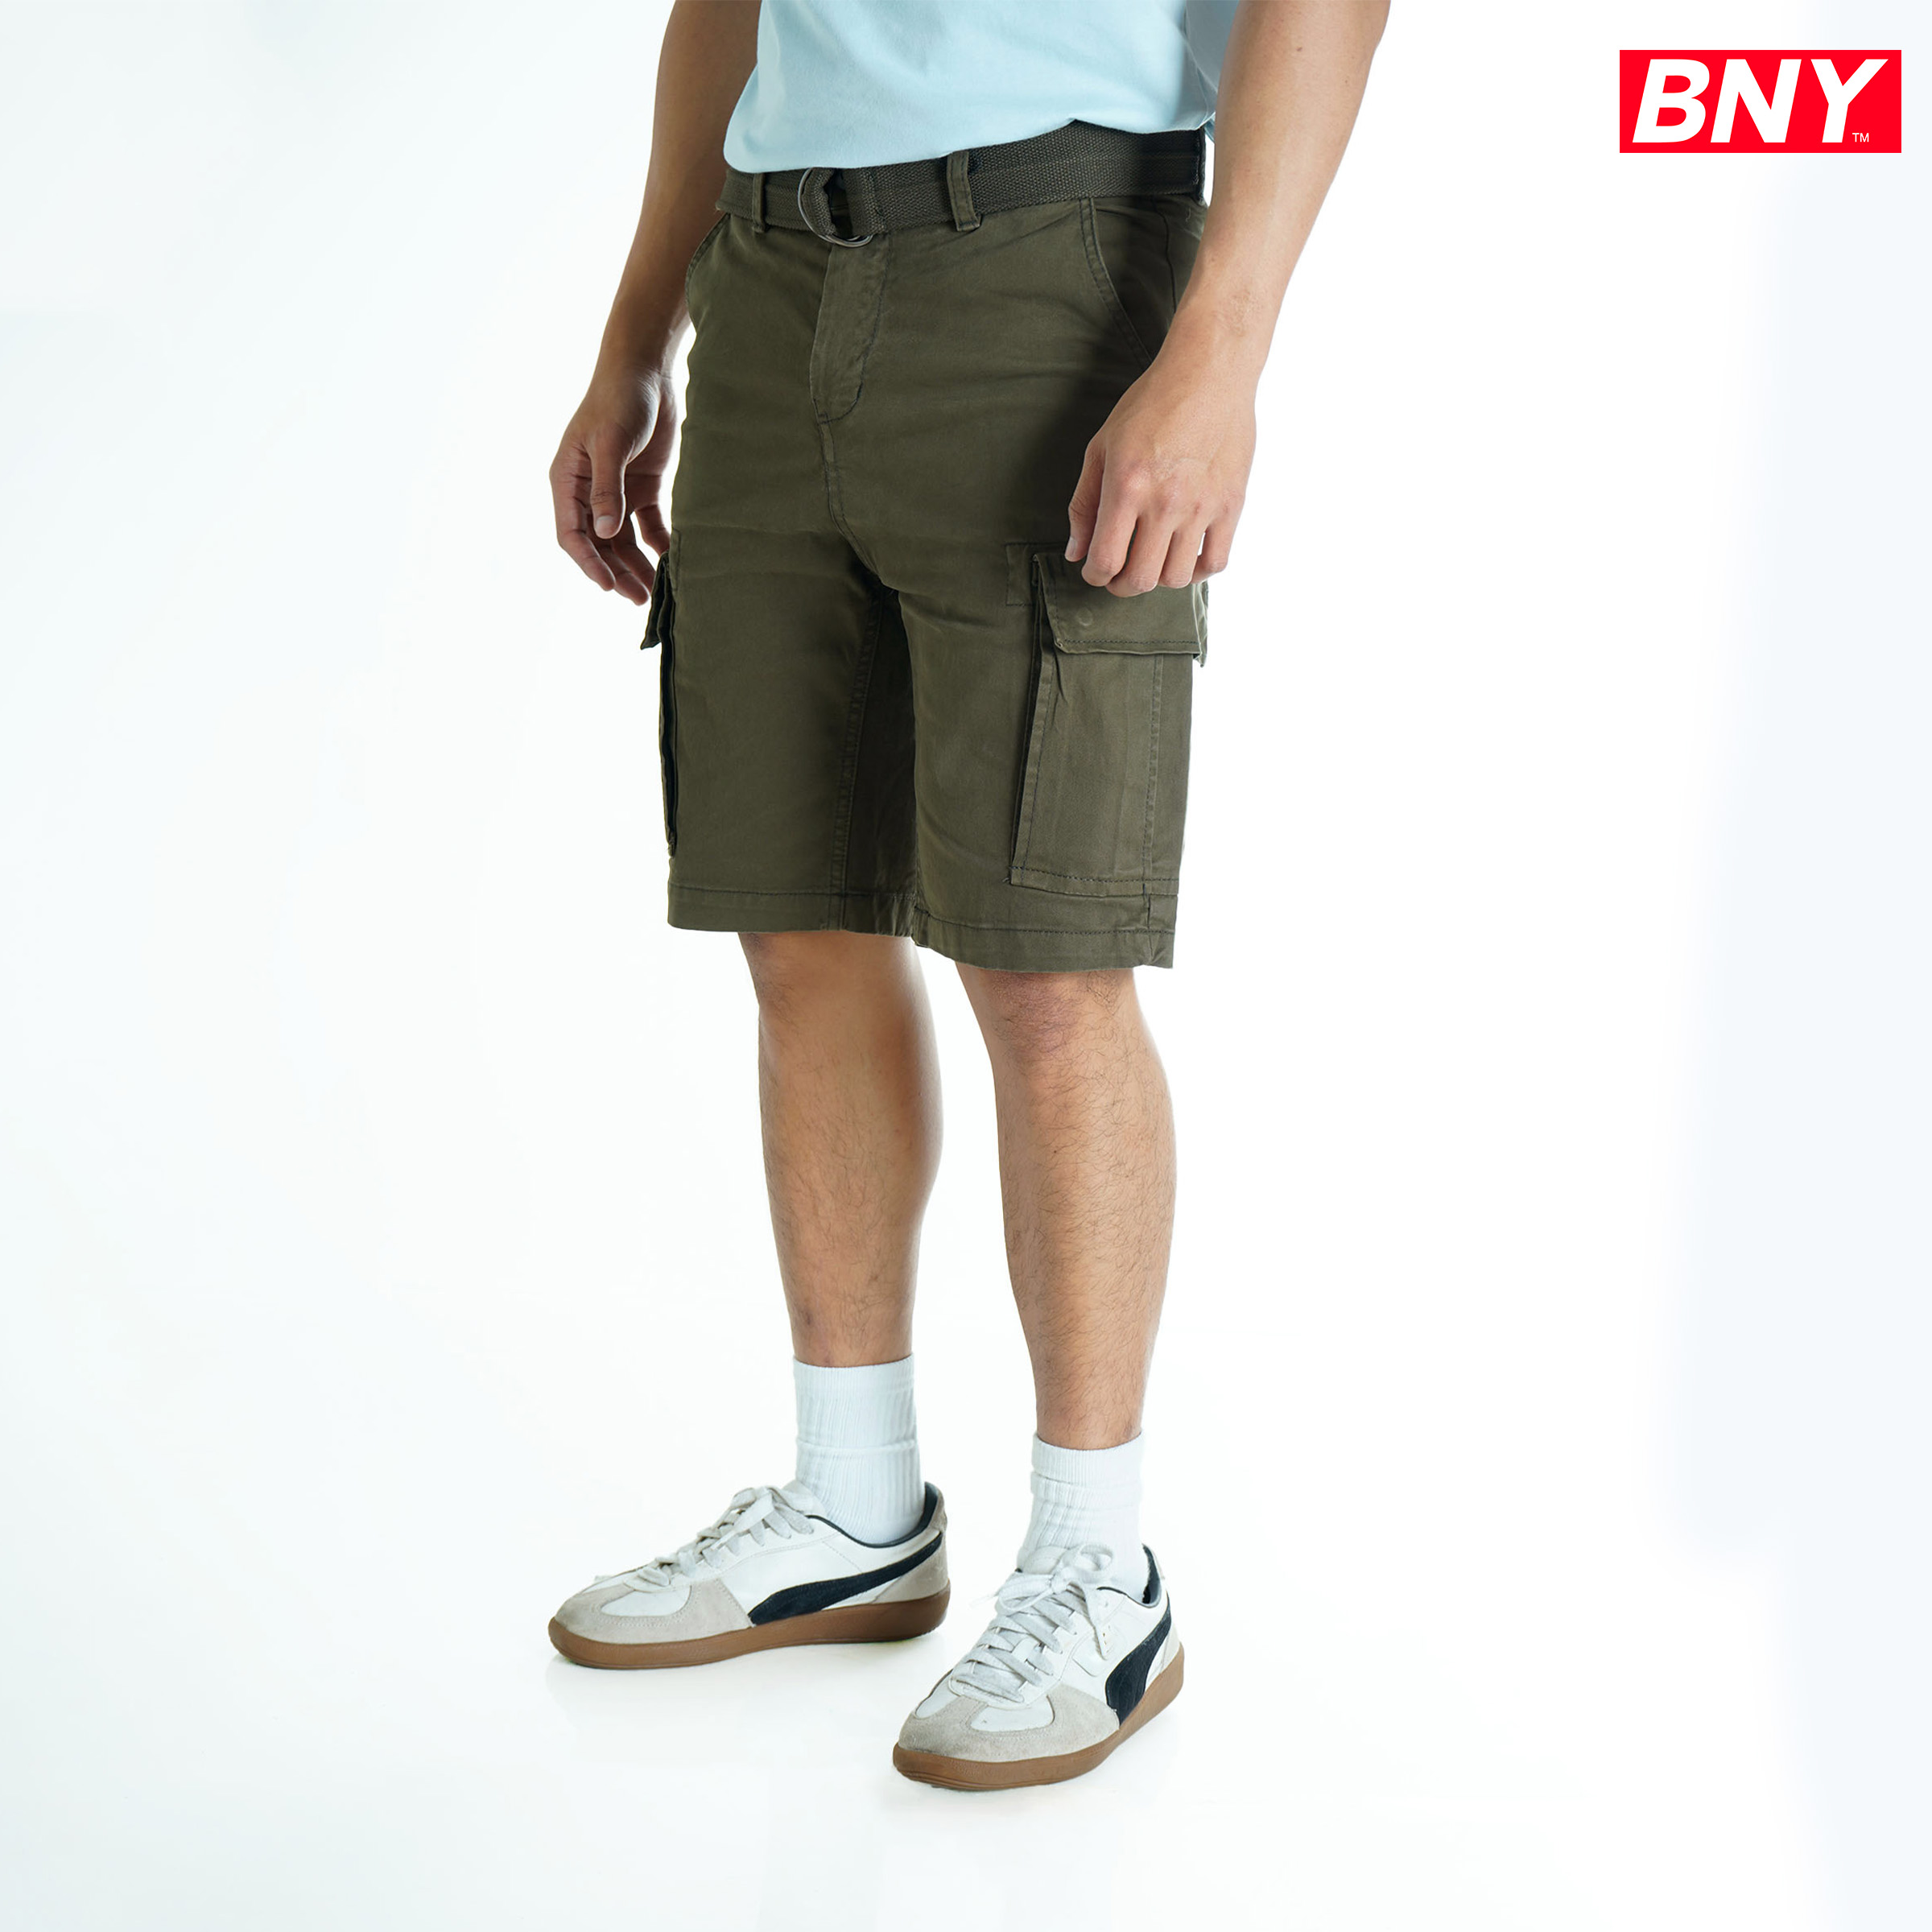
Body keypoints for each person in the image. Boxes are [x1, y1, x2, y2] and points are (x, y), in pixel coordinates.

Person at [544, 0, 1385, 1790]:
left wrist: (1221, 349)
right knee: (801, 924)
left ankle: (1099, 1567)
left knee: (1046, 959)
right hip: (772, 277)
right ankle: (855, 1507)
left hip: (1057, 268)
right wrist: (637, 337)